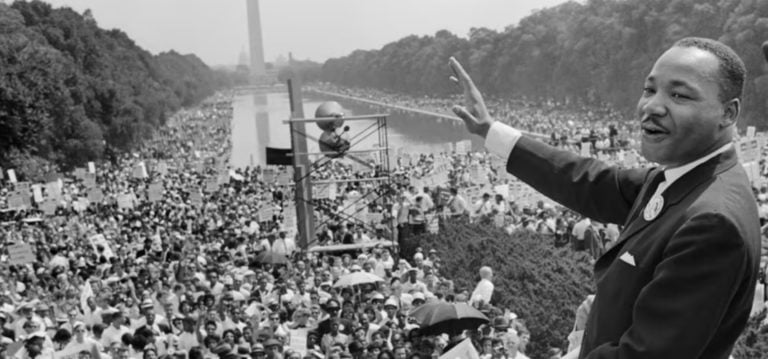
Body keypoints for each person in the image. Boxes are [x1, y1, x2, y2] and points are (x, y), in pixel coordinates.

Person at [448, 37, 761, 358]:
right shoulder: (684, 177)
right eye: (649, 89)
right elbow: (589, 181)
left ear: (728, 113)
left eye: (679, 95)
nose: (652, 106)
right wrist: (491, 131)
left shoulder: (712, 222)